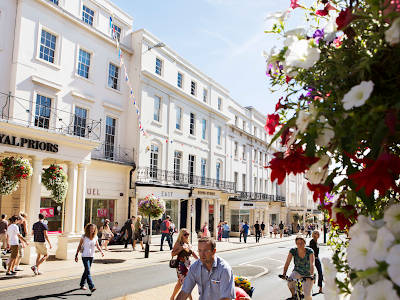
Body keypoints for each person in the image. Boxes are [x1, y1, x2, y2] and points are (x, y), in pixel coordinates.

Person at [170, 228, 198, 300]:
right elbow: (172, 253)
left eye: (188, 234)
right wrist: (181, 249)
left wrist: (199, 260)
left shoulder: (188, 243)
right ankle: (191, 299)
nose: (187, 236)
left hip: (188, 265)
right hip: (181, 265)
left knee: (180, 283)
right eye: (185, 234)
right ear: (181, 235)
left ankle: (172, 297)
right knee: (186, 283)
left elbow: (192, 253)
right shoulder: (178, 243)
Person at [75, 223, 104, 292]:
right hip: (85, 256)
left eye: (93, 229)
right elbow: (79, 245)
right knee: (88, 271)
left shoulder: (95, 237)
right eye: (91, 228)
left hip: (91, 256)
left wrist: (101, 251)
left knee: (86, 271)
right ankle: (91, 286)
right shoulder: (84, 236)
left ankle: (82, 284)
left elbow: (97, 245)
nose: (92, 230)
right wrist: (76, 255)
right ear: (88, 229)